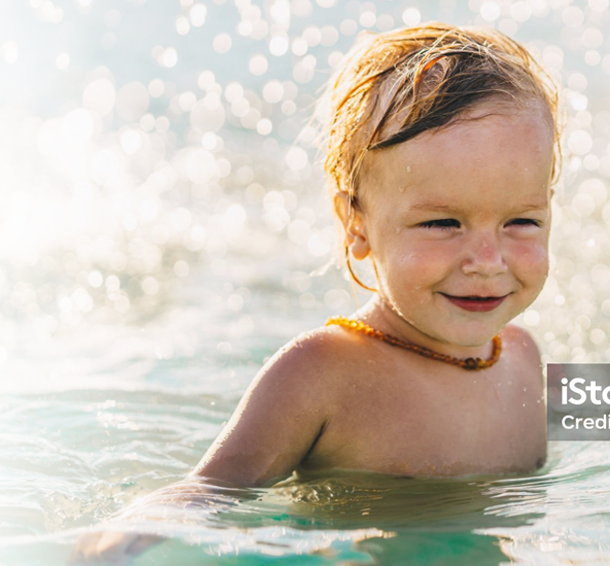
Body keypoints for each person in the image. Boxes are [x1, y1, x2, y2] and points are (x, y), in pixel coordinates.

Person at [70, 21, 562, 563]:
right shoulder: (323, 373)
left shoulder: (521, 357)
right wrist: (131, 531)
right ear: (356, 224)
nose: (487, 261)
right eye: (443, 223)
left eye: (521, 221)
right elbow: (211, 488)